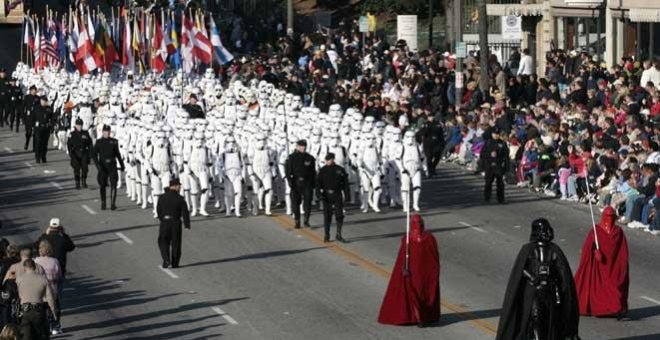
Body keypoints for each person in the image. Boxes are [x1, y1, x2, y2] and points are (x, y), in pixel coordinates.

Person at [496, 218, 580, 340]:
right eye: (545, 230)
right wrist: (532, 277)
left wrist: (560, 287)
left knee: (550, 322)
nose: (548, 233)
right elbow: (521, 269)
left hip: (549, 292)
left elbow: (562, 273)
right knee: (536, 320)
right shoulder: (528, 250)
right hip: (534, 292)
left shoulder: (554, 250)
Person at [378, 214, 440, 327]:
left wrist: (434, 271)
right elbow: (402, 257)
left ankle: (423, 316)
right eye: (416, 224)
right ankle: (417, 317)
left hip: (425, 272)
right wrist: (403, 268)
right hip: (412, 272)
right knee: (413, 293)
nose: (418, 226)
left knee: (424, 294)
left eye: (420, 223)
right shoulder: (407, 239)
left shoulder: (429, 238)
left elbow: (434, 257)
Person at [574, 207, 629, 318]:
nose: (610, 219)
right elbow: (587, 249)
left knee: (614, 287)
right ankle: (604, 308)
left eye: (612, 217)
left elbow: (622, 251)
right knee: (599, 288)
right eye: (608, 216)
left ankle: (616, 308)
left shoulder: (618, 232)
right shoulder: (596, 231)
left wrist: (621, 266)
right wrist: (595, 252)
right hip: (598, 266)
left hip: (613, 266)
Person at [16, 259, 57, 340]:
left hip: (24, 311)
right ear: (34, 267)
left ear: (24, 267)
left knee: (25, 336)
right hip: (38, 311)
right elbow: (50, 298)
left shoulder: (19, 280)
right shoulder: (43, 279)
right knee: (41, 335)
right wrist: (54, 311)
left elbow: (17, 295)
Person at [156, 179, 191, 269]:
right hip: (175, 223)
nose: (180, 187)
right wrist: (187, 225)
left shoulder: (162, 197)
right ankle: (175, 263)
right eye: (179, 186)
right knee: (176, 243)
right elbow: (185, 213)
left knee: (163, 241)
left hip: (165, 222)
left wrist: (162, 219)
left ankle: (166, 260)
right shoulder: (180, 198)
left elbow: (158, 210)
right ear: (174, 186)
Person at [316, 153, 351, 243]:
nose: (328, 162)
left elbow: (345, 184)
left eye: (330, 160)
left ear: (333, 160)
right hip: (326, 195)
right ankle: (326, 235)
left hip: (337, 194)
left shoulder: (340, 170)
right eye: (327, 160)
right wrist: (319, 195)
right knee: (327, 215)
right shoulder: (322, 170)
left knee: (339, 215)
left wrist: (347, 196)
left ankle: (338, 234)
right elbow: (318, 184)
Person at [92, 125, 125, 210]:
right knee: (102, 184)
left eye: (108, 131)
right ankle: (103, 202)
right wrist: (98, 166)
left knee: (114, 184)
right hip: (102, 166)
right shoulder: (99, 142)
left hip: (112, 165)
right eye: (105, 131)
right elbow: (94, 155)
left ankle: (113, 203)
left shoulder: (114, 142)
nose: (107, 133)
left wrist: (122, 165)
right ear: (102, 132)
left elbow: (118, 154)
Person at [285, 140, 316, 229]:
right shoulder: (291, 157)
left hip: (307, 183)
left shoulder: (310, 158)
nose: (303, 147)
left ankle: (306, 220)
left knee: (307, 202)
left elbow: (313, 172)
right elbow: (288, 171)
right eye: (301, 146)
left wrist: (313, 183)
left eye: (304, 146)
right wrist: (290, 181)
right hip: (296, 182)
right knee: (295, 203)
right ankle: (297, 221)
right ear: (297, 146)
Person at [33, 241, 62, 335]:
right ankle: (54, 326)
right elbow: (59, 276)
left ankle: (42, 327)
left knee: (41, 310)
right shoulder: (55, 261)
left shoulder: (35, 261)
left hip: (39, 291)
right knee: (54, 308)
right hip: (52, 289)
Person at [482, 128, 509, 204]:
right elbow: (482, 154)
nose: (496, 135)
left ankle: (500, 198)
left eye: (497, 134)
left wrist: (507, 167)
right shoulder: (488, 142)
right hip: (489, 165)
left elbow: (506, 156)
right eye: (494, 134)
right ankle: (487, 197)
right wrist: (489, 154)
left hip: (498, 165)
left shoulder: (502, 144)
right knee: (488, 182)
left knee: (500, 183)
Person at [67, 118, 93, 189]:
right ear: (75, 125)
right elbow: (69, 145)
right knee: (76, 168)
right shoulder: (72, 134)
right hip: (75, 153)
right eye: (78, 125)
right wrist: (71, 155)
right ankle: (77, 182)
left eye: (80, 125)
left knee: (85, 168)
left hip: (84, 153)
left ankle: (84, 181)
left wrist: (90, 154)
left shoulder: (85, 133)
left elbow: (90, 144)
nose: (79, 127)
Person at [416, 113, 444, 177]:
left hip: (436, 143)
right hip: (428, 143)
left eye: (432, 116)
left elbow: (441, 134)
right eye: (430, 116)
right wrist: (419, 141)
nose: (431, 118)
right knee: (429, 158)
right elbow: (420, 133)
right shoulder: (426, 124)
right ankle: (430, 172)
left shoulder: (438, 124)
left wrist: (442, 143)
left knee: (437, 157)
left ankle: (433, 168)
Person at [33, 95, 54, 163]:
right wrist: (32, 126)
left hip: (46, 128)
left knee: (45, 144)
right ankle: (37, 157)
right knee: (38, 142)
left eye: (45, 101)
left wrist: (52, 126)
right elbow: (32, 117)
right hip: (38, 128)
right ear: (40, 101)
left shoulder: (49, 108)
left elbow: (52, 118)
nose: (44, 102)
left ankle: (43, 156)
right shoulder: (36, 108)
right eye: (42, 101)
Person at [22, 86, 39, 151]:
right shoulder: (27, 97)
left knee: (35, 133)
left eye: (35, 90)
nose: (34, 91)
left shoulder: (38, 98)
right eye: (32, 90)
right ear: (30, 91)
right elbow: (23, 107)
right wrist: (23, 117)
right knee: (28, 132)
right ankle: (27, 142)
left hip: (36, 118)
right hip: (28, 117)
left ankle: (34, 147)